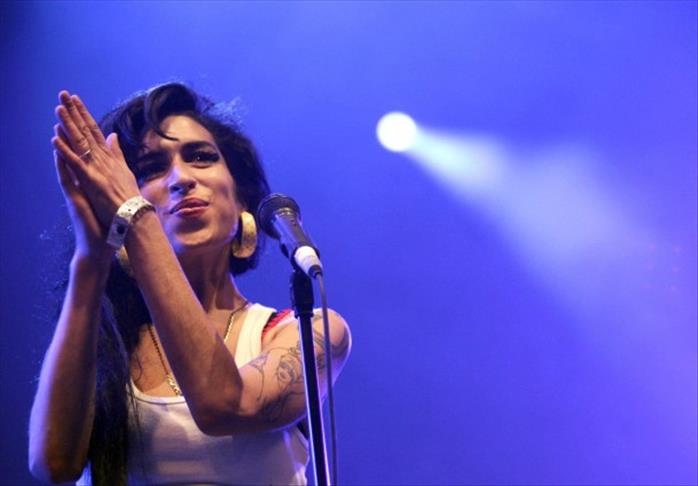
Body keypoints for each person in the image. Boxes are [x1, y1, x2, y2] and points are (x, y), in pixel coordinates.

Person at [28, 82, 351, 485]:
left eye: (200, 157)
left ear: (241, 199)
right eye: (151, 169)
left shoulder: (310, 330)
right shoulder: (109, 339)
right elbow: (54, 464)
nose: (181, 178)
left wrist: (136, 215)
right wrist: (92, 258)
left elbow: (225, 406)